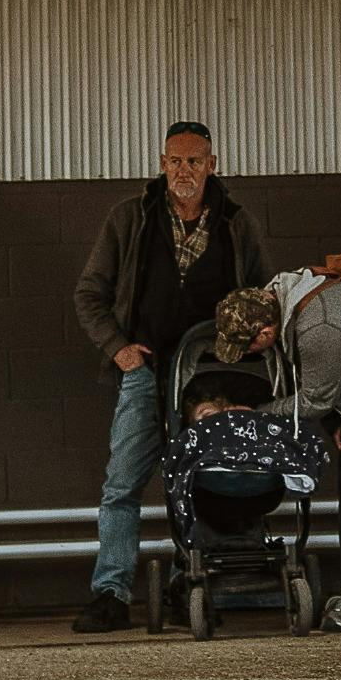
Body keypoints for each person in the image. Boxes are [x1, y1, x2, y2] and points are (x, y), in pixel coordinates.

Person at [71, 121, 270, 633]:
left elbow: (264, 295)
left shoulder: (236, 223)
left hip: (212, 375)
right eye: (176, 161)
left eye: (195, 161)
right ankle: (111, 594)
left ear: (213, 165)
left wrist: (262, 333)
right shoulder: (130, 219)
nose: (185, 170)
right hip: (147, 369)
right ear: (162, 164)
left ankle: (195, 581)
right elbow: (89, 294)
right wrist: (119, 350)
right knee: (122, 483)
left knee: (206, 477)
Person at [259, 263, 341, 631]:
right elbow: (328, 382)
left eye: (250, 345)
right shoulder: (295, 303)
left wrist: (255, 414)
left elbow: (314, 399)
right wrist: (337, 422)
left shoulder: (317, 326)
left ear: (266, 330)